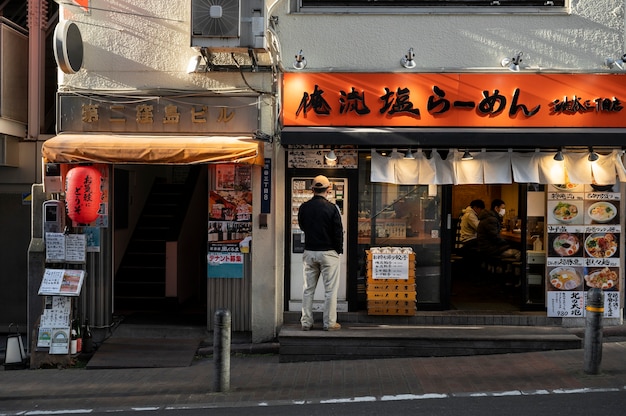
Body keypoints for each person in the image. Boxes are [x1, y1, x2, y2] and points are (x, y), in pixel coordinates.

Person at [298, 175, 344, 331]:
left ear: (312, 189)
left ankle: (306, 322)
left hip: (309, 251)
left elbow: (302, 226)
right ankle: (329, 323)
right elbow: (338, 232)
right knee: (330, 290)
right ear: (328, 189)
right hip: (328, 252)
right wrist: (338, 250)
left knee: (307, 289)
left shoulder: (304, 207)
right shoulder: (332, 208)